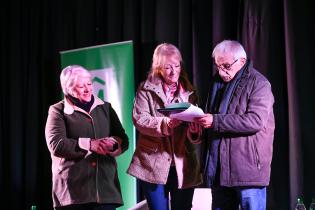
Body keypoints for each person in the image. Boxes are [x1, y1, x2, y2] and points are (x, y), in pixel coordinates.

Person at [194, 40, 275, 210]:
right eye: (218, 66)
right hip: (220, 171)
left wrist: (215, 121)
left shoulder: (259, 83)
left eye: (226, 66)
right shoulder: (216, 84)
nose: (222, 71)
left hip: (248, 170)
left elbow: (255, 120)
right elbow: (211, 120)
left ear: (242, 62)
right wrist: (199, 127)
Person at [127, 43, 202, 210]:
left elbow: (196, 122)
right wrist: (164, 123)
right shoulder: (145, 89)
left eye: (176, 66)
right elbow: (140, 119)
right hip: (153, 163)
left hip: (183, 163)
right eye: (168, 67)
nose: (174, 71)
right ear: (158, 67)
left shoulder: (189, 90)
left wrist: (195, 132)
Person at [45, 65, 129, 210]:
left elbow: (123, 139)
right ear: (69, 88)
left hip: (105, 191)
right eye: (80, 86)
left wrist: (113, 144)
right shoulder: (57, 110)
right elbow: (56, 144)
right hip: (72, 192)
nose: (88, 89)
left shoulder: (106, 108)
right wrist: (90, 144)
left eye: (89, 84)